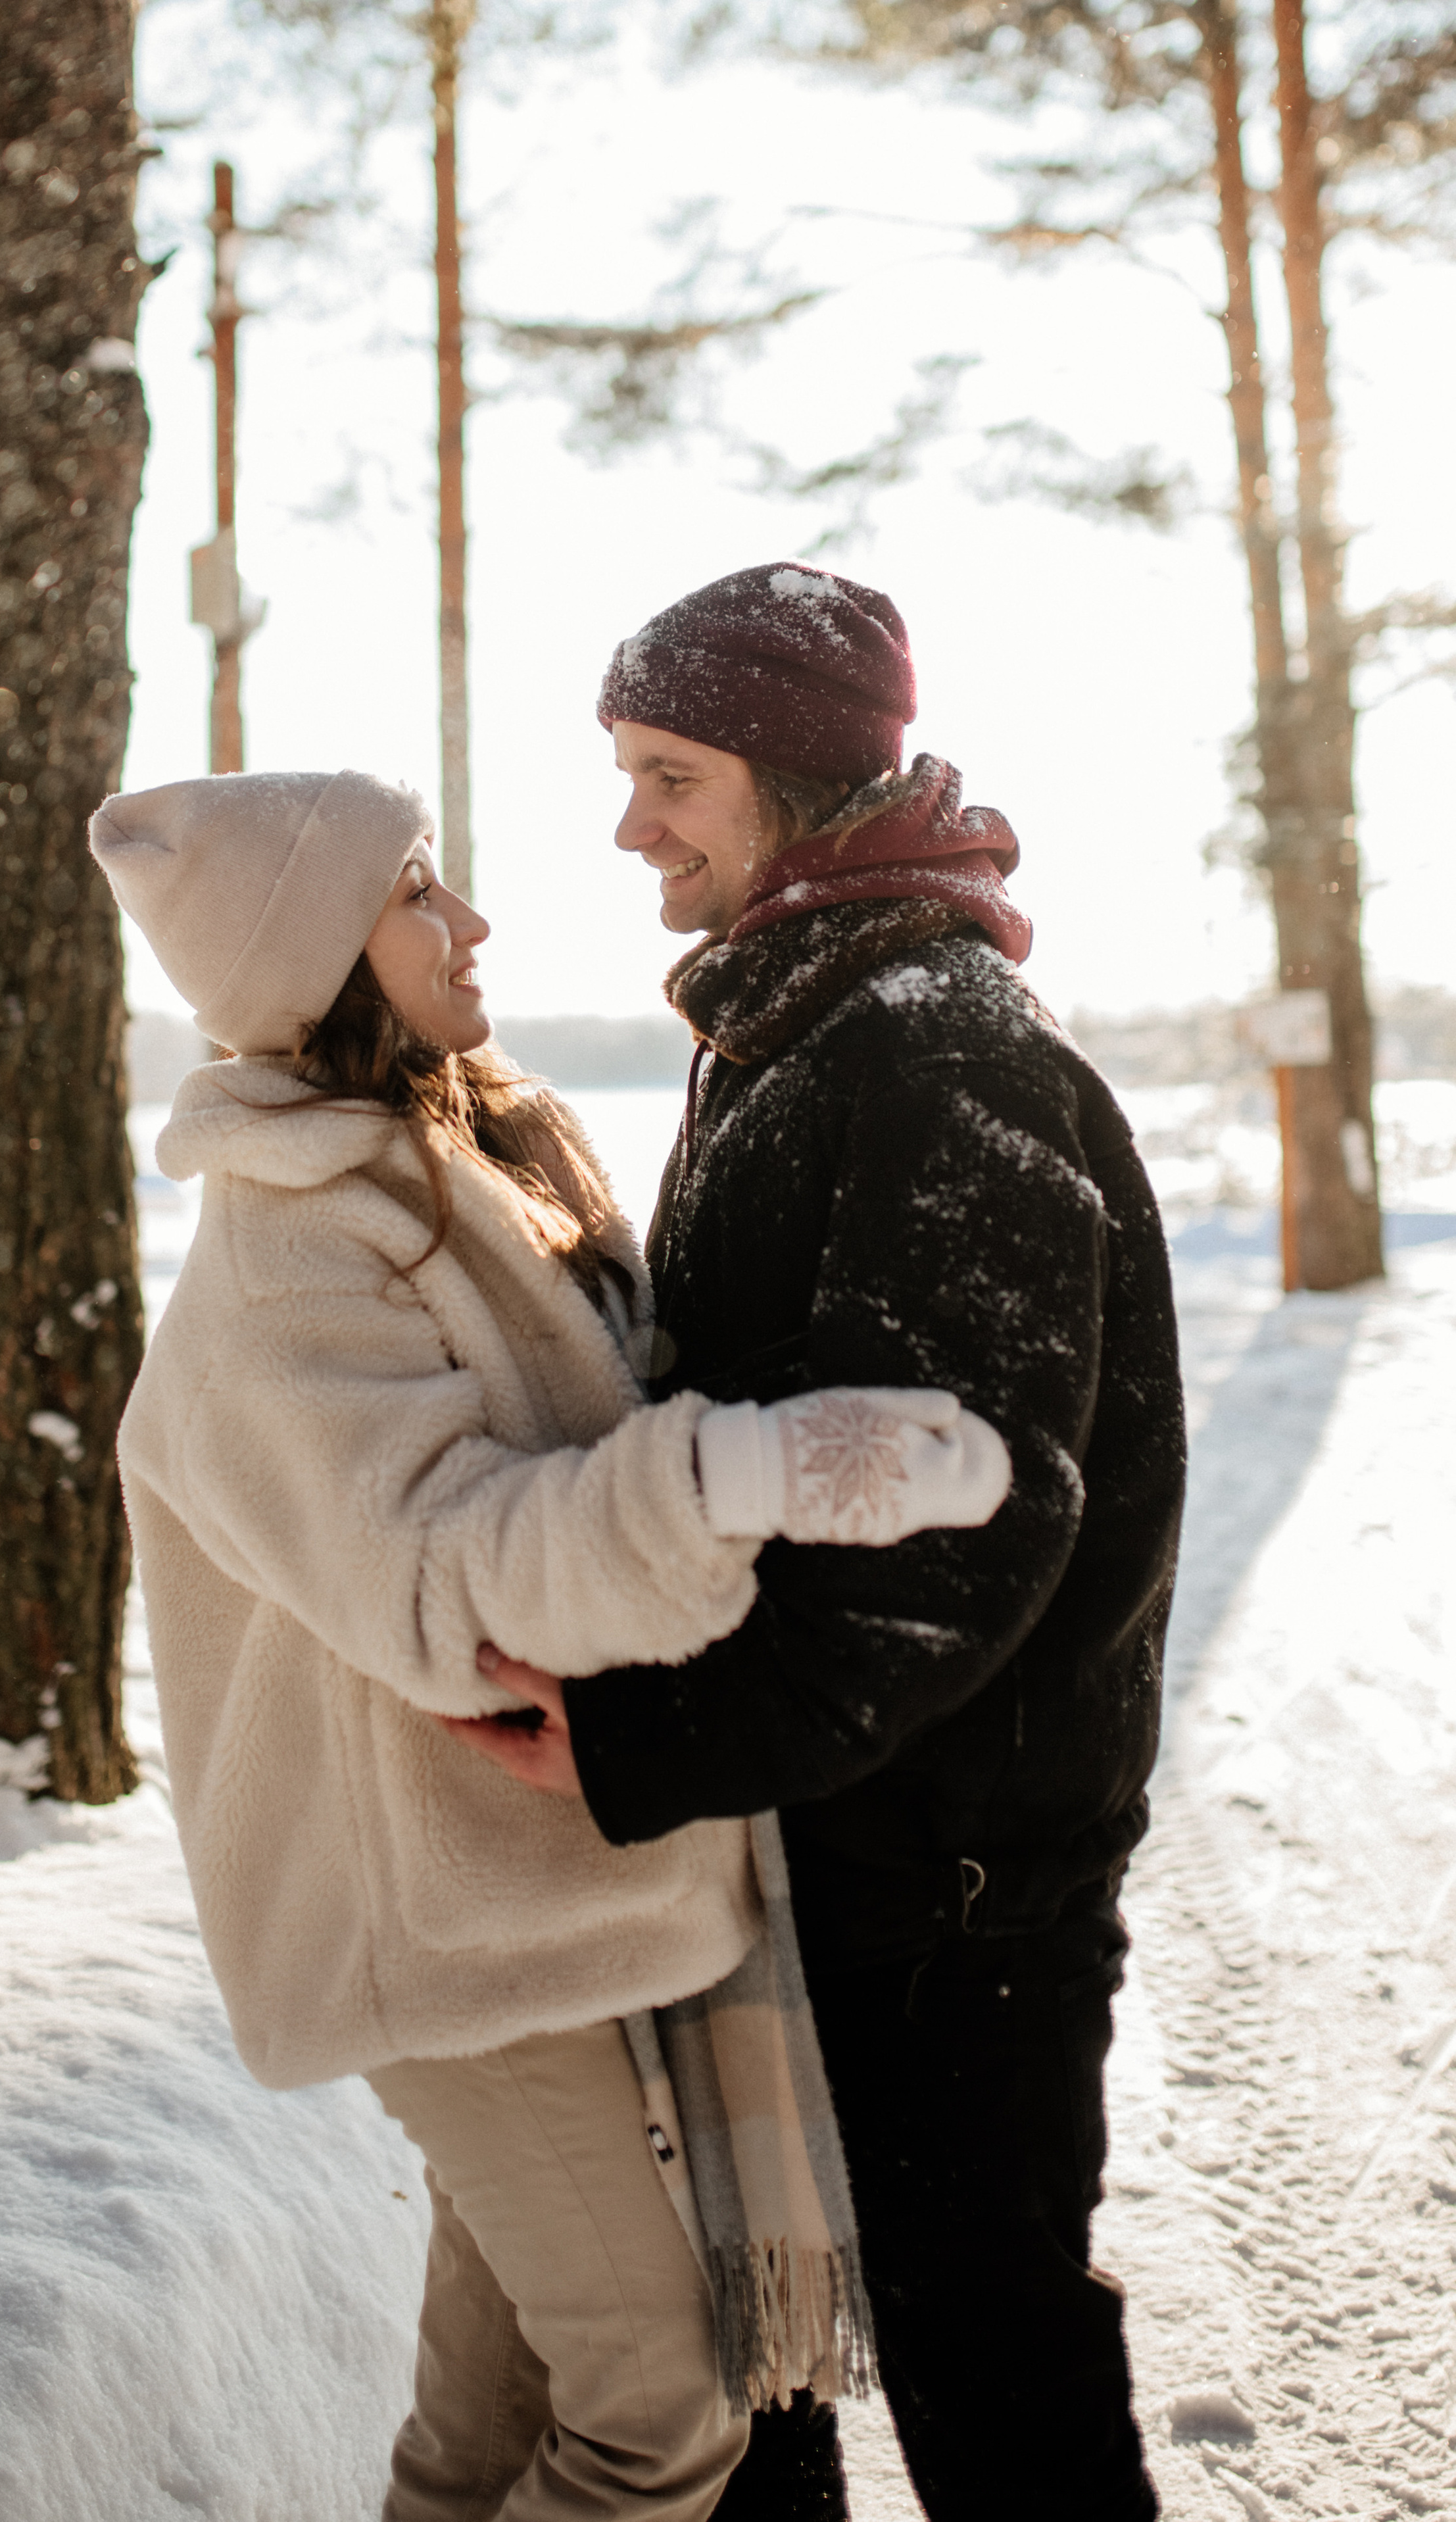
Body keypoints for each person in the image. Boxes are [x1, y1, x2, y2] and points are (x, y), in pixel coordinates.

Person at [87, 766, 1013, 2522]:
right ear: (312, 955)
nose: (473, 921)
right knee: (660, 2421)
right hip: (444, 1933)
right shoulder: (289, 1263)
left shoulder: (466, 1158)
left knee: (482, 2424)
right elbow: (450, 1585)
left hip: (546, 1895)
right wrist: (737, 1475)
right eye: (417, 892)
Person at [458, 564, 1188, 2522]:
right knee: (773, 2373)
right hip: (836, 1842)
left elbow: (956, 1530)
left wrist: (652, 1748)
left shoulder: (936, 1059)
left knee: (991, 2381)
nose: (632, 823)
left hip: (953, 1887)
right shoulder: (806, 1032)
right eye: (627, 770)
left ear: (789, 776)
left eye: (670, 773)